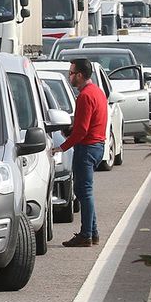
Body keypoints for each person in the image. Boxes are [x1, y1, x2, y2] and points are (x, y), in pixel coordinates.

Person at [53, 58, 107, 247]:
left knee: (84, 192)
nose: (69, 76)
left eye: (71, 73)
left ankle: (86, 234)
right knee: (85, 191)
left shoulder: (85, 96)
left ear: (80, 75)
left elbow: (82, 129)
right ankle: (92, 232)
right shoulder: (97, 92)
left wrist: (62, 146)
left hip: (87, 147)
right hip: (97, 145)